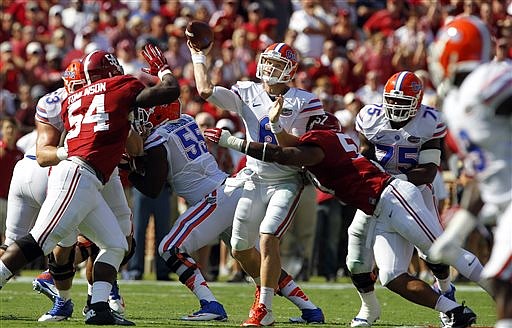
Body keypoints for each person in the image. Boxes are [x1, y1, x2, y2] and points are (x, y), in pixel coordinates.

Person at [204, 110, 487, 328]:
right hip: (377, 208)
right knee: (390, 276)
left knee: (441, 250)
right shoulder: (331, 142)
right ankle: (454, 312)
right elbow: (289, 145)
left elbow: (283, 153)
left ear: (316, 130)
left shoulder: (323, 143)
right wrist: (276, 126)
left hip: (392, 196)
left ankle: (503, 292)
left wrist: (233, 141)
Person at [0, 44, 180, 326]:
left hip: (90, 176)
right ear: (109, 74)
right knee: (40, 240)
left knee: (115, 243)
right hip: (77, 173)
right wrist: (164, 69)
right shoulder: (118, 87)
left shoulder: (76, 98)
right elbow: (169, 91)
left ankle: (98, 307)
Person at [126, 100, 325, 323]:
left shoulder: (158, 137)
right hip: (227, 190)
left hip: (213, 199)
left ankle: (210, 303)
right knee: (254, 260)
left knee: (169, 248)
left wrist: (130, 170)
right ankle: (310, 309)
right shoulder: (187, 120)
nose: (143, 124)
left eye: (147, 117)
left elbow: (153, 188)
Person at [189, 40, 325, 326]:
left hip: (286, 180)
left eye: (277, 64)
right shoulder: (247, 90)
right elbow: (205, 90)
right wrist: (197, 55)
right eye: (268, 61)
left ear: (289, 70)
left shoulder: (305, 101)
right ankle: (306, 305)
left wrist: (275, 127)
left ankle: (264, 307)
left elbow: (294, 150)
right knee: (239, 248)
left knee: (268, 237)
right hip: (254, 178)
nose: (269, 67)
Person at [346, 70, 479, 327]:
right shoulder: (370, 117)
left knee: (433, 252)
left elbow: (428, 171)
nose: (395, 107)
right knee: (355, 252)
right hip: (377, 192)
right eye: (392, 101)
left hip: (415, 189)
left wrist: (393, 182)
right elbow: (365, 157)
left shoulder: (429, 121)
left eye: (402, 102)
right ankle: (368, 307)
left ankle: (446, 288)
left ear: (417, 102)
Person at [428, 15, 512, 328]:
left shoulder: (486, 80)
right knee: (501, 284)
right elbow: (482, 173)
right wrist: (458, 231)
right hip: (505, 207)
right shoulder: (453, 104)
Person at [0, 117, 23, 245]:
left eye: (13, 128)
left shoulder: (20, 153)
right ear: (2, 130)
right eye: (7, 127)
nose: (10, 130)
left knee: (7, 235)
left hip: (10, 199)